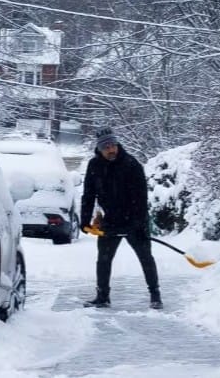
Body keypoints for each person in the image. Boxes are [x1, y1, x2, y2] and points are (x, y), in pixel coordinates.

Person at [81, 126, 163, 310]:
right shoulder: (94, 166)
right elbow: (88, 194)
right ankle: (102, 296)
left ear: (117, 144)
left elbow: (141, 198)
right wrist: (84, 220)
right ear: (99, 149)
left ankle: (155, 294)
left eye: (113, 145)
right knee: (103, 259)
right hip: (110, 220)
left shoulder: (132, 165)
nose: (111, 150)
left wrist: (138, 224)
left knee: (145, 257)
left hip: (134, 220)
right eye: (106, 147)